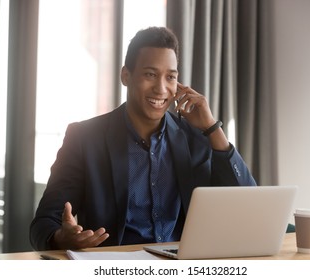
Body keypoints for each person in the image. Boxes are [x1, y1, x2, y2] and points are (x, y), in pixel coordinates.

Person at [30, 26, 256, 251]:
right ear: (126, 76)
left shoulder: (196, 138)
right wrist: (61, 238)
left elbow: (249, 207)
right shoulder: (85, 139)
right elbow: (43, 223)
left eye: (170, 77)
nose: (161, 88)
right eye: (150, 74)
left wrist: (212, 128)